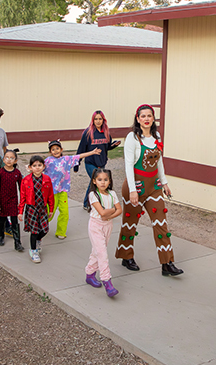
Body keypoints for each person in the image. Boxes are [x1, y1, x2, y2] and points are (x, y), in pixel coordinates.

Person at [115, 104, 183, 277]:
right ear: (138, 119)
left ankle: (167, 263)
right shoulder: (132, 137)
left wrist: (165, 182)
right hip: (136, 186)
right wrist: (132, 190)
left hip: (154, 187)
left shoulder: (156, 136)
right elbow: (128, 165)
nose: (146, 119)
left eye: (149, 116)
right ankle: (126, 256)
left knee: (161, 224)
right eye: (143, 116)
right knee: (129, 224)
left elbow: (159, 161)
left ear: (153, 118)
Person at [44, 139, 100, 239]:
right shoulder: (48, 161)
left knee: (64, 212)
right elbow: (38, 167)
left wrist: (92, 152)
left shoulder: (66, 159)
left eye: (57, 148)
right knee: (49, 213)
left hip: (63, 191)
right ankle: (41, 226)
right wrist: (30, 167)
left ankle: (61, 232)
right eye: (53, 149)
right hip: (51, 192)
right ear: (50, 152)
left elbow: (79, 156)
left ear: (61, 149)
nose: (55, 151)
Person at [85, 168, 122, 298]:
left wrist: (110, 215)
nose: (103, 182)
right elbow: (101, 213)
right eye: (100, 180)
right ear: (94, 181)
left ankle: (89, 274)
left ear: (109, 181)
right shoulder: (93, 195)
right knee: (102, 253)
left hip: (108, 225)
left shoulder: (112, 194)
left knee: (97, 251)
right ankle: (107, 282)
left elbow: (120, 210)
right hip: (96, 225)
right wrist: (112, 211)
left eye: (105, 180)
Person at [75, 110, 121, 211]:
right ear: (93, 120)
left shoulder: (106, 132)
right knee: (96, 183)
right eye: (96, 119)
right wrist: (76, 164)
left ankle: (93, 203)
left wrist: (113, 145)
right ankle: (88, 204)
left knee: (95, 183)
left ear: (103, 120)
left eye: (100, 119)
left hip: (102, 162)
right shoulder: (88, 132)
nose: (98, 121)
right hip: (90, 162)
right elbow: (81, 149)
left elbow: (106, 147)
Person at [18, 155, 54, 263]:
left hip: (42, 208)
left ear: (43, 167)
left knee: (45, 229)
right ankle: (33, 251)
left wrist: (51, 209)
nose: (37, 167)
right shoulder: (26, 180)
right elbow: (23, 197)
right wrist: (20, 211)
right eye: (34, 165)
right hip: (32, 208)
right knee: (34, 231)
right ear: (30, 167)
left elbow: (50, 195)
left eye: (39, 165)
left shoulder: (47, 179)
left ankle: (38, 240)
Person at [0, 150, 24, 252]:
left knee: (14, 221)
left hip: (13, 201)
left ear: (15, 160)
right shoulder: (1, 172)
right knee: (2, 219)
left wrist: (22, 202)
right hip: (2, 201)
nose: (9, 160)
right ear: (3, 159)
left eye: (12, 158)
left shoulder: (17, 173)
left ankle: (17, 242)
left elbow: (21, 188)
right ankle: (0, 236)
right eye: (7, 157)